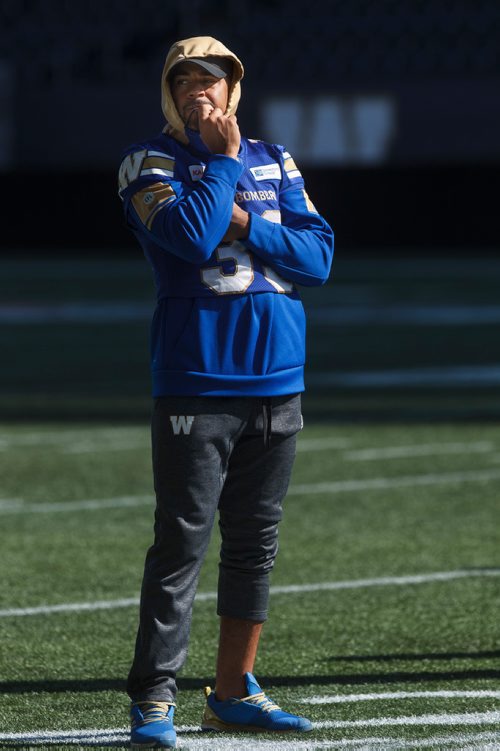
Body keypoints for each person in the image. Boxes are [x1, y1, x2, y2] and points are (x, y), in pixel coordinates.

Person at [118, 35, 334, 749]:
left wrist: (249, 219)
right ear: (168, 92)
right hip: (198, 378)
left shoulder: (275, 158)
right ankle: (154, 697)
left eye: (210, 83)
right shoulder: (148, 161)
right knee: (181, 544)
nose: (197, 93)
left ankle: (234, 689)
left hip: (279, 376)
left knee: (255, 546)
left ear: (232, 90)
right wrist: (219, 164)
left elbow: (319, 256)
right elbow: (189, 233)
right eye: (184, 83)